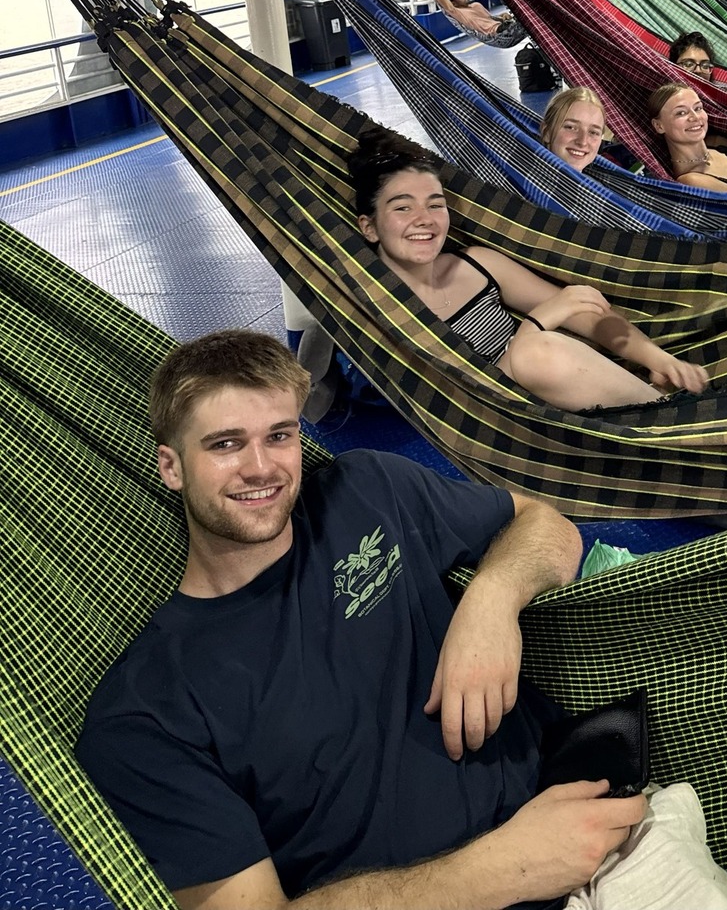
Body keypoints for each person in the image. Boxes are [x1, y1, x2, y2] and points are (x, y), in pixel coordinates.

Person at [76, 329, 648, 910]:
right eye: (225, 444)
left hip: (595, 822)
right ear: (171, 467)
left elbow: (547, 526)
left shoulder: (368, 491)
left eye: (280, 435)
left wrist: (491, 600)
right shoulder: (148, 709)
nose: (260, 468)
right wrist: (504, 868)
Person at [351, 134, 706, 408]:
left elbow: (586, 314)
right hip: (512, 425)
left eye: (435, 204)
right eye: (402, 208)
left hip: (579, 396)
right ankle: (668, 415)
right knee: (532, 353)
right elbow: (462, 396)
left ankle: (660, 408)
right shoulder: (381, 306)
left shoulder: (477, 264)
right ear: (369, 228)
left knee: (538, 349)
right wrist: (538, 323)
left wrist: (657, 357)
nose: (424, 220)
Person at [539, 86, 608, 173]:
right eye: (570, 127)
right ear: (546, 132)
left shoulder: (600, 183)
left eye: (593, 132)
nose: (583, 142)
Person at [430, 0, 513, 38]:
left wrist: (503, 15)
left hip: (504, 25)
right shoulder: (457, 12)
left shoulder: (476, 5)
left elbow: (490, 18)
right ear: (454, 3)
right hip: (498, 32)